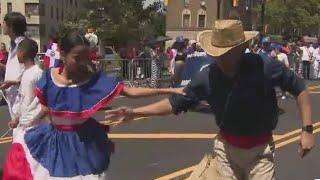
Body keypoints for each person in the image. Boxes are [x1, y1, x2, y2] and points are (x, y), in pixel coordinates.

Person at [106, 20, 314, 180]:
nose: (220, 59)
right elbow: (174, 103)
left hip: (260, 153)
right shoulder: (207, 77)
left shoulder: (265, 67)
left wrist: (306, 131)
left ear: (240, 49)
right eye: (216, 54)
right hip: (226, 152)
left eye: (226, 54)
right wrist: (134, 112)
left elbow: (300, 89)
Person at [2, 32, 183, 179]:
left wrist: (171, 91)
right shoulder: (48, 78)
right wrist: (31, 123)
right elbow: (47, 108)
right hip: (54, 139)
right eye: (77, 57)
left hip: (82, 142)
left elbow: (129, 91)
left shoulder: (90, 80)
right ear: (63, 55)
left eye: (85, 57)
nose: (82, 62)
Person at [7, 38, 44, 133]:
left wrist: (35, 119)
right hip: (23, 122)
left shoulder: (38, 73)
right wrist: (16, 118)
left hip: (33, 124)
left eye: (17, 52)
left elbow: (42, 100)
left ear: (23, 53)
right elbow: (22, 98)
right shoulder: (25, 73)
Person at [0, 12, 26, 121]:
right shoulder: (12, 45)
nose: (2, 25)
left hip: (22, 98)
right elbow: (16, 69)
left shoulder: (24, 45)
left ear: (10, 26)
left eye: (4, 23)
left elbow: (32, 72)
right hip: (12, 97)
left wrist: (14, 82)